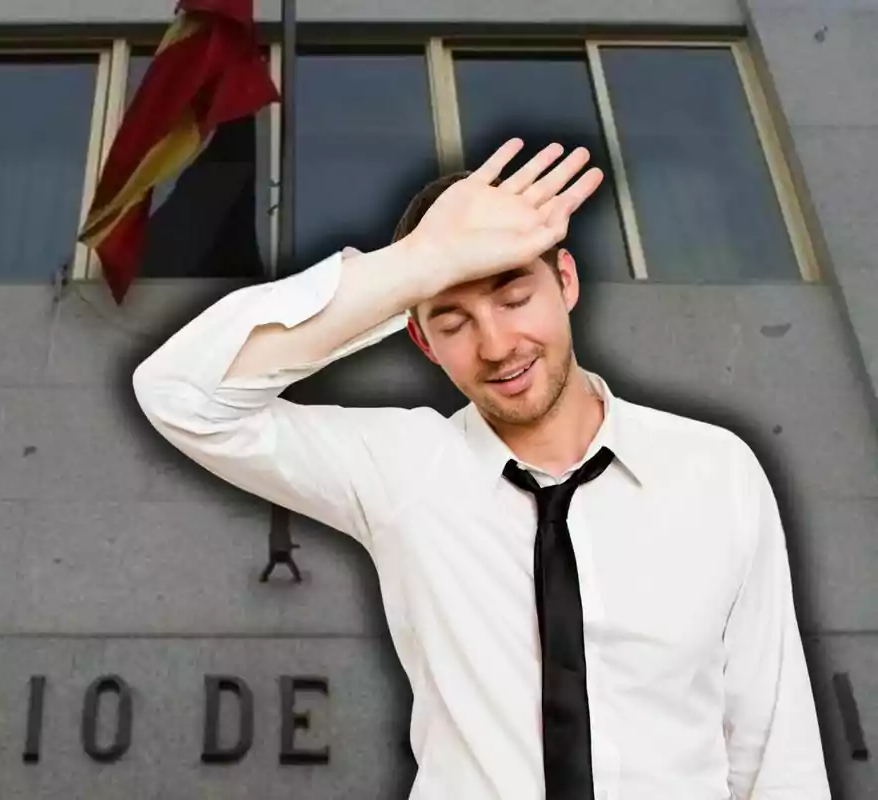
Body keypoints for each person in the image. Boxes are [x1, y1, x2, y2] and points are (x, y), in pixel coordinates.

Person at [132, 139, 830, 799]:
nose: (497, 345)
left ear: (565, 281)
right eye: (453, 319)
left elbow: (774, 751)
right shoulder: (404, 470)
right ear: (421, 341)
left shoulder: (714, 471)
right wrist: (415, 264)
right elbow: (182, 395)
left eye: (513, 295)